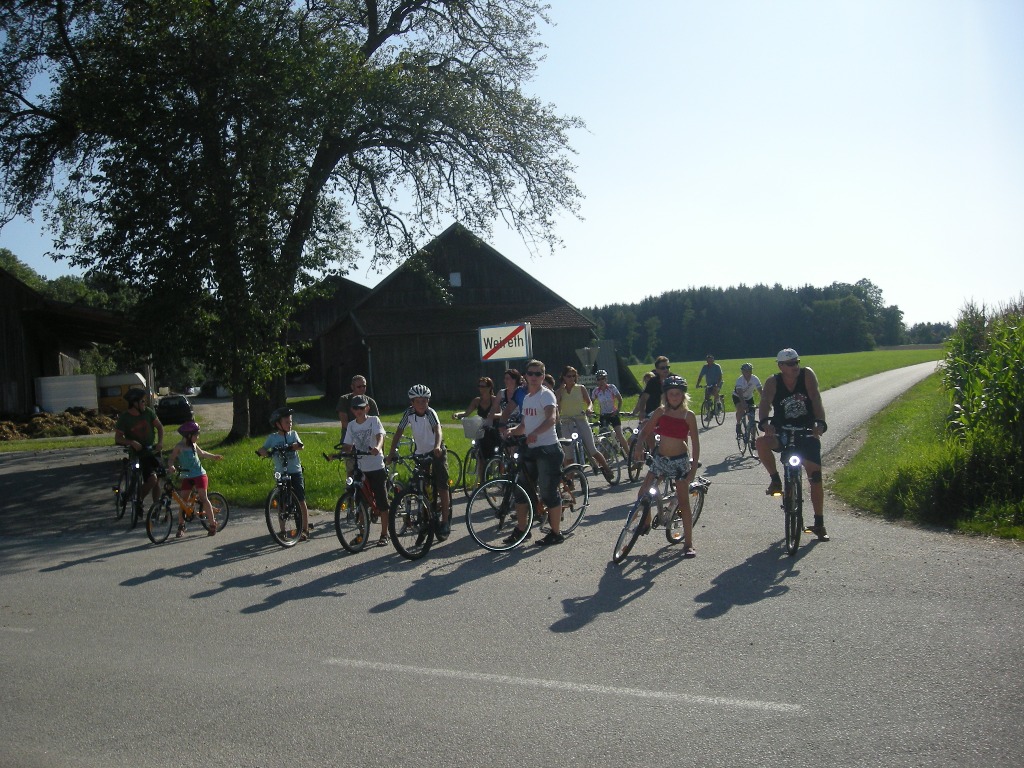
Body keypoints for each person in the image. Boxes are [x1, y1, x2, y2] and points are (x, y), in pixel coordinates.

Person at [756, 348, 830, 541]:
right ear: (781, 366)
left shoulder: (807, 375)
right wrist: (765, 422)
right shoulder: (773, 382)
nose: (795, 366)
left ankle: (819, 522)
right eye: (790, 364)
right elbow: (765, 402)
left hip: (806, 431)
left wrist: (819, 422)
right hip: (783, 432)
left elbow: (815, 398)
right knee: (761, 443)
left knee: (815, 477)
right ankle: (775, 480)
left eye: (796, 362)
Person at [634, 375, 700, 557]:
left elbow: (695, 442)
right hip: (661, 459)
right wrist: (639, 445)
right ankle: (646, 521)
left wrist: (692, 470)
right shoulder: (660, 412)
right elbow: (645, 431)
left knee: (684, 501)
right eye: (671, 394)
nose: (674, 397)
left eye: (678, 394)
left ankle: (688, 543)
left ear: (683, 395)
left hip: (679, 461)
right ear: (666, 396)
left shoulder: (688, 416)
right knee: (642, 493)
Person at [507, 359, 566, 547]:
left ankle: (556, 533)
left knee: (548, 493)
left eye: (538, 374)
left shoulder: (546, 395)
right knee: (521, 490)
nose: (533, 377)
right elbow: (524, 425)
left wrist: (535, 434)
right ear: (525, 376)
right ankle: (522, 529)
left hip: (548, 449)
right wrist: (510, 431)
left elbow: (552, 419)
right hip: (530, 449)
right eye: (530, 373)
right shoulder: (527, 398)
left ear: (543, 376)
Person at [387, 384, 451, 539]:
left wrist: (437, 446)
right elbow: (399, 432)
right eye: (418, 401)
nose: (422, 404)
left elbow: (438, 430)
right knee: (419, 485)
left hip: (436, 450)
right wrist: (391, 453)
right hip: (420, 452)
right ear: (412, 403)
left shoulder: (430, 413)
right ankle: (425, 515)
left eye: (425, 401)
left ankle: (445, 520)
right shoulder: (408, 414)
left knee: (442, 484)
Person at [340, 394, 390, 547]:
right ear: (352, 410)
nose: (359, 411)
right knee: (361, 502)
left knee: (382, 501)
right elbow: (348, 444)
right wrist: (342, 452)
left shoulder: (373, 421)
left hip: (375, 465)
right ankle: (362, 534)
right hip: (361, 467)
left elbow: (380, 436)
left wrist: (378, 447)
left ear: (367, 408)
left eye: (361, 408)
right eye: (356, 408)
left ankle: (384, 533)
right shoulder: (351, 425)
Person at [257, 407, 311, 541]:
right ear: (278, 424)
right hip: (281, 472)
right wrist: (263, 452)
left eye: (290, 422)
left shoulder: (293, 434)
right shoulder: (273, 438)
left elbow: (301, 445)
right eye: (286, 422)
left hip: (295, 471)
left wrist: (294, 446)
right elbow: (263, 448)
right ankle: (282, 530)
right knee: (281, 503)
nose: (290, 424)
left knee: (301, 499)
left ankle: (305, 529)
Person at [555, 365, 614, 483]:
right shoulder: (560, 391)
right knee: (569, 454)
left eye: (573, 376)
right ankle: (570, 480)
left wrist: (589, 409)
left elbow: (589, 402)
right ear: (563, 377)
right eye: (569, 376)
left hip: (580, 419)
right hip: (566, 422)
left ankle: (606, 468)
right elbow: (556, 405)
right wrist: (560, 390)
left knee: (592, 449)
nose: (571, 378)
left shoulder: (580, 388)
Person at [168, 420, 223, 537]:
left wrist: (214, 457)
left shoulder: (193, 445)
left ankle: (212, 524)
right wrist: (171, 466)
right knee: (183, 501)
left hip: (199, 474)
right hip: (186, 476)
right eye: (196, 435)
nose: (198, 437)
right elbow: (171, 458)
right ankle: (181, 525)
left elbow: (202, 453)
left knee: (203, 497)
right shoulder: (179, 447)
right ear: (189, 436)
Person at [114, 388, 165, 510]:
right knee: (152, 480)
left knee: (159, 479)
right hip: (139, 455)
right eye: (142, 401)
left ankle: (156, 508)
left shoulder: (148, 412)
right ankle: (139, 499)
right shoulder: (125, 418)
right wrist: (131, 442)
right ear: (134, 403)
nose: (145, 403)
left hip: (152, 451)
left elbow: (159, 427)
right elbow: (118, 438)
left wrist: (160, 442)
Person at [454, 376, 500, 485]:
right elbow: (467, 413)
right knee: (480, 457)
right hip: (481, 431)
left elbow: (501, 414)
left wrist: (492, 416)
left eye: (483, 386)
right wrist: (457, 414)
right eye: (479, 386)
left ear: (489, 387)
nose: (481, 388)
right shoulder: (477, 400)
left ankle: (499, 476)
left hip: (492, 430)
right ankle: (482, 481)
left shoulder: (494, 400)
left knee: (496, 455)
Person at [591, 369, 630, 455]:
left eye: (603, 378)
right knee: (602, 437)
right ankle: (607, 457)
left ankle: (629, 454)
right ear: (597, 381)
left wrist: (617, 411)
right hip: (603, 415)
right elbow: (591, 403)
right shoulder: (596, 391)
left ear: (606, 379)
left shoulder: (611, 388)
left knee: (619, 435)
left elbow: (620, 400)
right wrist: (591, 411)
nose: (601, 381)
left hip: (613, 414)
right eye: (599, 379)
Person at [634, 356, 672, 420]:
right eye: (663, 368)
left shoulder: (674, 379)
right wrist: (642, 411)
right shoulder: (652, 381)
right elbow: (644, 397)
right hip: (652, 414)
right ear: (657, 370)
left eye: (667, 367)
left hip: (670, 413)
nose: (666, 370)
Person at [732, 363, 763, 436]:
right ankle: (738, 424)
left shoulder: (755, 378)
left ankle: (753, 439)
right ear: (742, 372)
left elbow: (760, 390)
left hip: (749, 397)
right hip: (738, 397)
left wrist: (764, 401)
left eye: (749, 371)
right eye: (745, 371)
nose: (748, 373)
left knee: (751, 418)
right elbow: (739, 393)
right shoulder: (740, 380)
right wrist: (743, 403)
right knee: (740, 409)